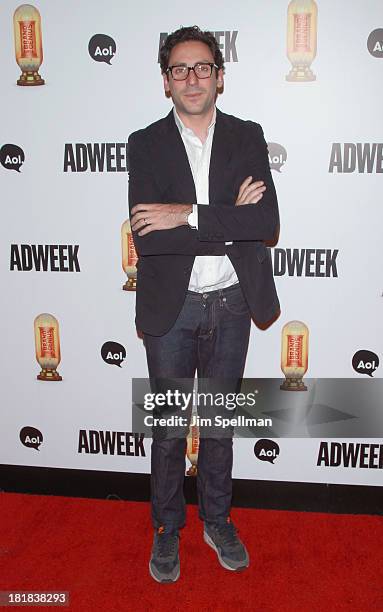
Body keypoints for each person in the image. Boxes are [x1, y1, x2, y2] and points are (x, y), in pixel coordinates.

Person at [129, 25, 280, 583]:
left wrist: (185, 212)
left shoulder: (246, 135)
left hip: (232, 303)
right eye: (179, 69)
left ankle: (218, 519)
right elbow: (150, 238)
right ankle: (167, 528)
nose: (191, 78)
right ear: (165, 82)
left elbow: (264, 223)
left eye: (202, 68)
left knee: (217, 426)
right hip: (173, 309)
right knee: (169, 429)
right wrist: (224, 218)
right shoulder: (145, 143)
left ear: (220, 75)